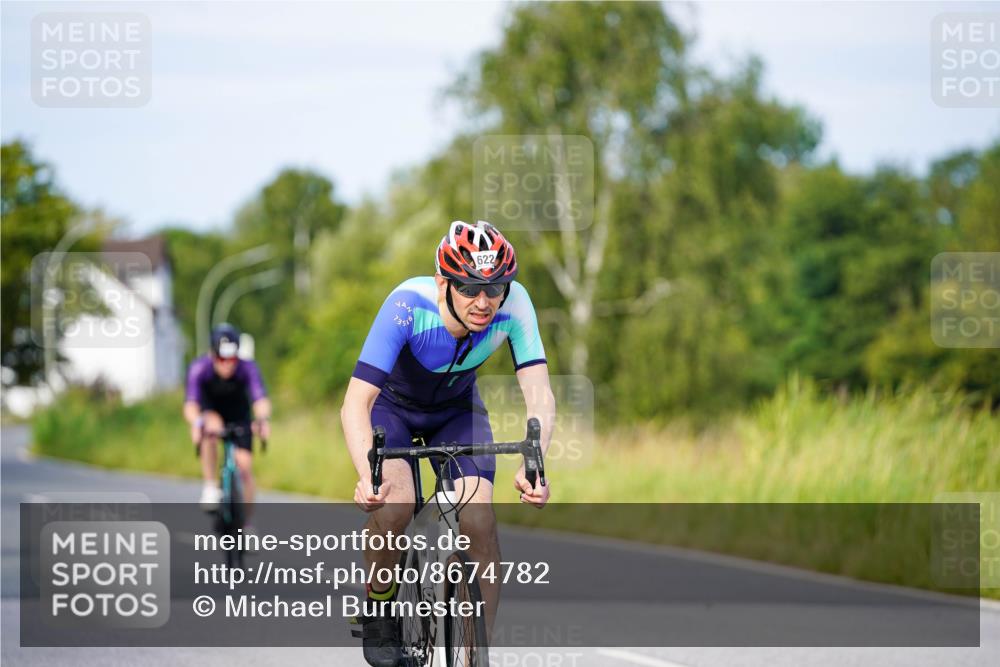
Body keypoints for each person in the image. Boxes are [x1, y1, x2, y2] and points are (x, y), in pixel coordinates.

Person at [341, 220, 555, 667]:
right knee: (394, 507)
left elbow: (540, 394)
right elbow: (356, 403)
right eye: (469, 288)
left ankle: (476, 653)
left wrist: (535, 465)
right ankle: (379, 606)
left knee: (480, 521)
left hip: (457, 412)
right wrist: (367, 475)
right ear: (444, 283)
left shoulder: (515, 304)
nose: (484, 302)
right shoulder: (407, 305)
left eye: (494, 288)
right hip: (393, 410)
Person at [183, 323, 271, 522]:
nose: (228, 364)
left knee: (245, 468)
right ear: (212, 355)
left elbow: (260, 399)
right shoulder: (199, 368)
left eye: (232, 358)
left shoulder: (247, 367)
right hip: (211, 413)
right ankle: (210, 486)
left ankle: (245, 524)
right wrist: (196, 423)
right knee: (210, 426)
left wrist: (263, 420)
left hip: (239, 416)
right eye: (222, 359)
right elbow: (190, 404)